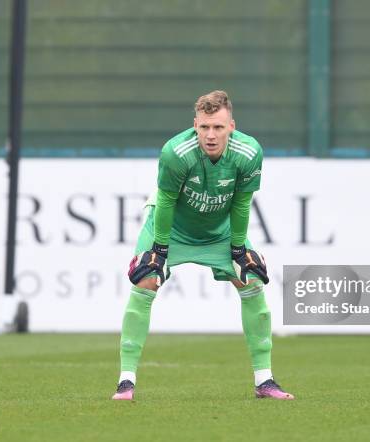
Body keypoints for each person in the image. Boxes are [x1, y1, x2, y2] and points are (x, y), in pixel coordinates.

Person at [112, 90, 294, 401]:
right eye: (204, 127)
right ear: (195, 125)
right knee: (145, 282)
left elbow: (241, 202)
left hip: (220, 231)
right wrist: (160, 248)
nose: (211, 135)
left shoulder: (249, 153)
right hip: (172, 228)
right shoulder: (175, 152)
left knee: (251, 282)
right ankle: (126, 381)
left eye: (218, 128)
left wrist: (238, 249)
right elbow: (166, 200)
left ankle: (265, 381)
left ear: (231, 126)